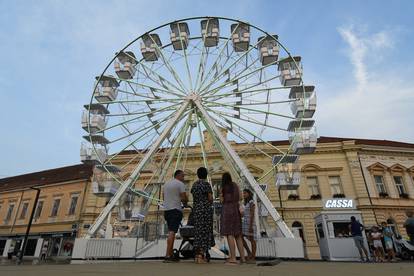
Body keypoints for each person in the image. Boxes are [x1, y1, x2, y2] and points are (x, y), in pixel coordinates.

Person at [220, 172, 245, 265]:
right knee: (238, 235)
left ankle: (233, 257)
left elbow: (222, 200)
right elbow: (241, 197)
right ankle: (243, 258)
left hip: (227, 210)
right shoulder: (236, 185)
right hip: (236, 209)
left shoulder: (223, 188)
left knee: (229, 233)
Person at [163, 170, 188, 262]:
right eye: (183, 176)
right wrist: (185, 202)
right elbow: (184, 197)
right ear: (178, 176)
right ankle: (168, 256)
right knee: (172, 232)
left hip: (167, 210)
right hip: (175, 210)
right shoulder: (180, 184)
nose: (183, 178)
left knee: (170, 231)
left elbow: (163, 197)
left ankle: (169, 254)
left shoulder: (166, 184)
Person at [191, 167, 214, 264]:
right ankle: (201, 255)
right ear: (206, 175)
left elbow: (194, 196)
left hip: (196, 210)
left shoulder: (194, 185)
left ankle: (197, 255)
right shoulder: (206, 184)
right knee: (205, 231)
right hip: (205, 211)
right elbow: (210, 198)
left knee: (198, 231)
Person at [241, 188, 257, 264]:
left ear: (249, 194)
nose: (244, 194)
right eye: (243, 193)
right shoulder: (246, 203)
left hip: (250, 223)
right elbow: (244, 214)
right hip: (245, 223)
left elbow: (252, 214)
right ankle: (249, 252)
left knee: (252, 240)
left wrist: (250, 226)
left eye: (245, 193)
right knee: (241, 237)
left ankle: (253, 256)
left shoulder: (251, 202)